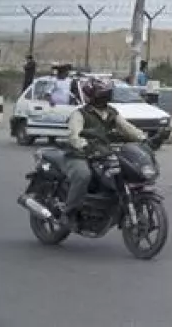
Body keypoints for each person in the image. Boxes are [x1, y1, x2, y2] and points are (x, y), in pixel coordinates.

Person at [59, 78, 145, 229]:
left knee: (121, 172)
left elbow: (127, 128)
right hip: (79, 155)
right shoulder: (80, 114)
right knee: (83, 175)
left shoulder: (111, 113)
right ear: (92, 96)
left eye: (106, 94)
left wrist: (144, 138)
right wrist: (83, 145)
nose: (104, 97)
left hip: (101, 154)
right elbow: (74, 136)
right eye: (101, 94)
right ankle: (69, 213)